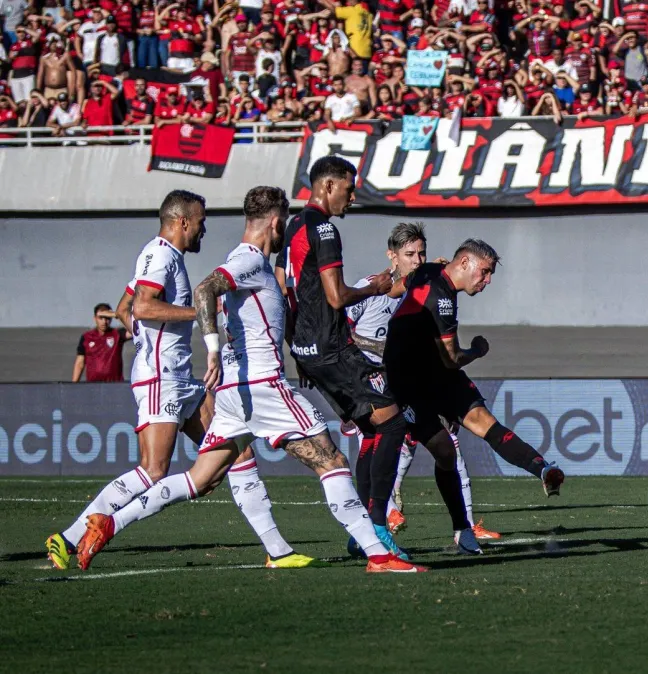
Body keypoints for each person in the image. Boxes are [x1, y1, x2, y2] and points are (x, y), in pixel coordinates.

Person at [73, 187, 421, 574]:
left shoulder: (255, 265)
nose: (286, 230)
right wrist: (210, 347)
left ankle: (110, 523)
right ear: (275, 222)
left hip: (234, 396)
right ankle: (378, 554)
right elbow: (207, 289)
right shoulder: (249, 260)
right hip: (262, 386)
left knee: (199, 479)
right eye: (284, 223)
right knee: (332, 460)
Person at [47, 191, 306, 573]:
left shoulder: (162, 256)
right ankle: (69, 537)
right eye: (201, 220)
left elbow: (125, 308)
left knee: (238, 452)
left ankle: (278, 549)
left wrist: (147, 338)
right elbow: (142, 307)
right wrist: (201, 314)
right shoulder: (162, 255)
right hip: (161, 377)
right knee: (154, 470)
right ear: (183, 221)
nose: (204, 228)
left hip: (179, 377)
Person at [383, 239, 566, 555]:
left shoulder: (429, 273)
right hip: (407, 381)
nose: (487, 280)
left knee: (485, 424)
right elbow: (452, 358)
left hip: (435, 373)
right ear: (464, 262)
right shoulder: (443, 298)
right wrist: (478, 351)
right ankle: (458, 529)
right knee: (442, 450)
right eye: (485, 272)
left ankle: (543, 469)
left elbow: (394, 289)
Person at [279, 156, 411, 561]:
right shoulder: (324, 229)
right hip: (333, 348)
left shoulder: (293, 227)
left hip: (308, 350)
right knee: (393, 425)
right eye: (350, 189)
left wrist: (295, 349)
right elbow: (336, 297)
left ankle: (364, 533)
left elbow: (288, 291)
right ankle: (374, 529)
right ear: (328, 186)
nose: (353, 197)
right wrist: (376, 287)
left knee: (374, 428)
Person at [345, 222, 500, 541]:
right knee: (378, 443)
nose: (417, 260)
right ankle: (379, 518)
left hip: (409, 382)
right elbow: (341, 327)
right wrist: (354, 371)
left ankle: (465, 525)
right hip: (371, 383)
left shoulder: (427, 287)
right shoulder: (372, 286)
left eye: (422, 253)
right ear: (392, 256)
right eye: (409, 254)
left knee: (446, 443)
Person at [73, 302, 130, 383]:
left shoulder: (117, 334)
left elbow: (135, 330)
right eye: (101, 318)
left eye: (107, 318)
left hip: (115, 385)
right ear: (95, 318)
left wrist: (116, 315)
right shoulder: (86, 337)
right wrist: (73, 384)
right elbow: (80, 362)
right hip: (93, 386)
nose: (104, 321)